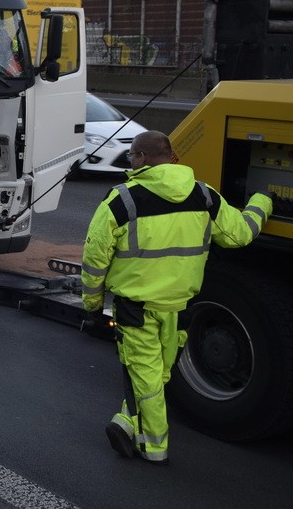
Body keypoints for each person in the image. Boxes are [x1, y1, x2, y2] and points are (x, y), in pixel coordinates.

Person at [81, 130, 272, 466]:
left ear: (140, 157)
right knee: (157, 376)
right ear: (170, 157)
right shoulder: (205, 195)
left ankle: (153, 448)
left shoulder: (121, 201)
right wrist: (262, 202)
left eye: (130, 157)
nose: (130, 162)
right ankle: (127, 421)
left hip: (136, 310)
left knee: (147, 378)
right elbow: (239, 236)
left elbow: (95, 261)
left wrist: (93, 305)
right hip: (181, 307)